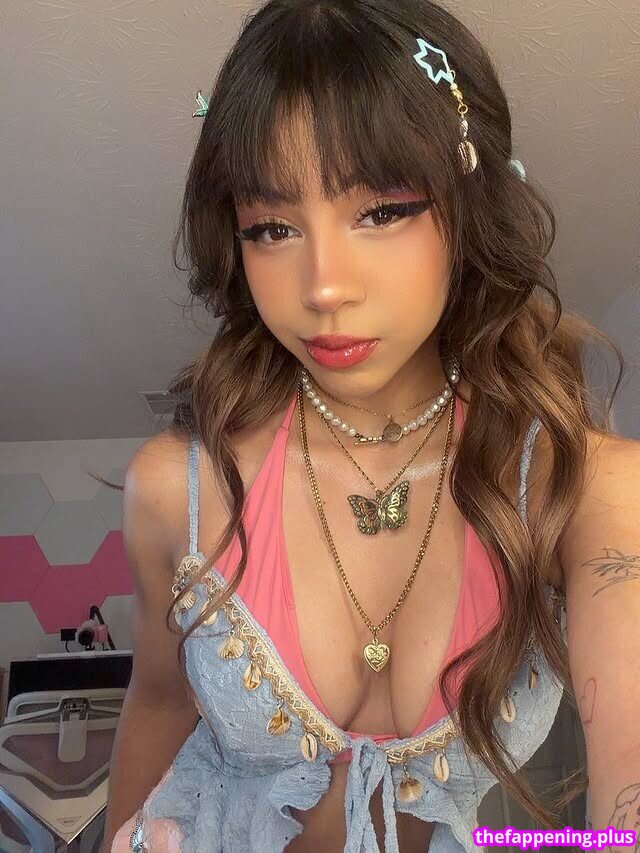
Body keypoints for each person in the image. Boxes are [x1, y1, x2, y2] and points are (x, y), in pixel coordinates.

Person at [101, 1, 634, 851]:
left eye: (383, 211)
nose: (323, 286)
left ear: (470, 203)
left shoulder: (588, 486)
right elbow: (159, 703)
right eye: (272, 227)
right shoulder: (175, 489)